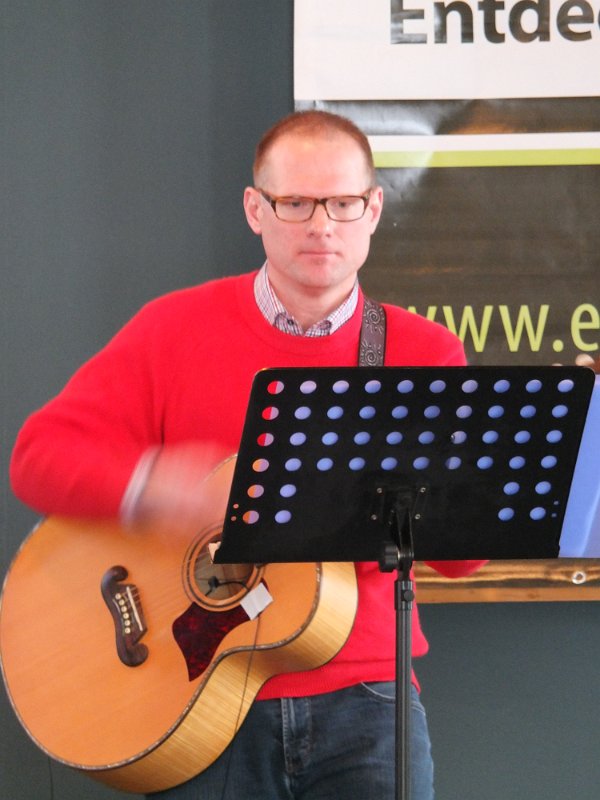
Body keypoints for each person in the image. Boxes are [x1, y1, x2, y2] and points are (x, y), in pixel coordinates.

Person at [10, 110, 486, 800]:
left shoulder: (424, 353)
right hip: (191, 696)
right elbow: (37, 457)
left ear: (374, 210)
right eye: (295, 203)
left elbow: (462, 559)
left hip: (366, 702)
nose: (321, 225)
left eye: (343, 203)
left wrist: (460, 498)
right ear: (255, 210)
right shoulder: (174, 328)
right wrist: (153, 488)